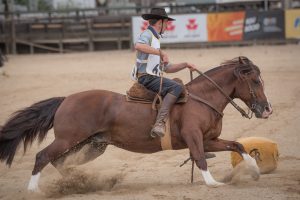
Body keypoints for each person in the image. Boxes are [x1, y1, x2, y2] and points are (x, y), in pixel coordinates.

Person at [132, 8, 197, 138]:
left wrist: (185, 64)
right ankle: (159, 123)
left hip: (151, 76)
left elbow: (167, 68)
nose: (167, 26)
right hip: (147, 78)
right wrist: (161, 52)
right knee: (177, 87)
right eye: (166, 23)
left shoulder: (155, 39)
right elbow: (138, 46)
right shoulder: (148, 34)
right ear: (160, 23)